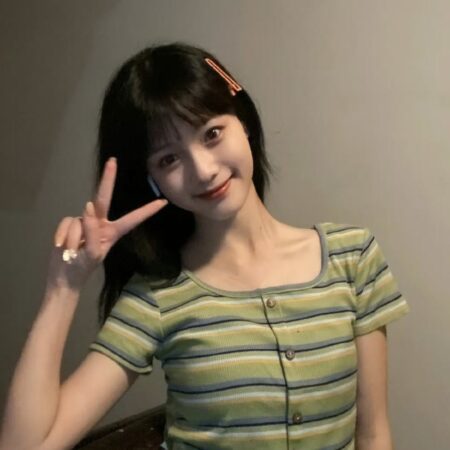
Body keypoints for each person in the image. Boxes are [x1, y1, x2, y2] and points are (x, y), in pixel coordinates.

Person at [0, 42, 409, 450]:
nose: (203, 170)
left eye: (212, 134)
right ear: (151, 180)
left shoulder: (352, 259)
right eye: (169, 159)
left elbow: (373, 434)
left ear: (243, 121)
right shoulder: (157, 296)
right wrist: (63, 286)